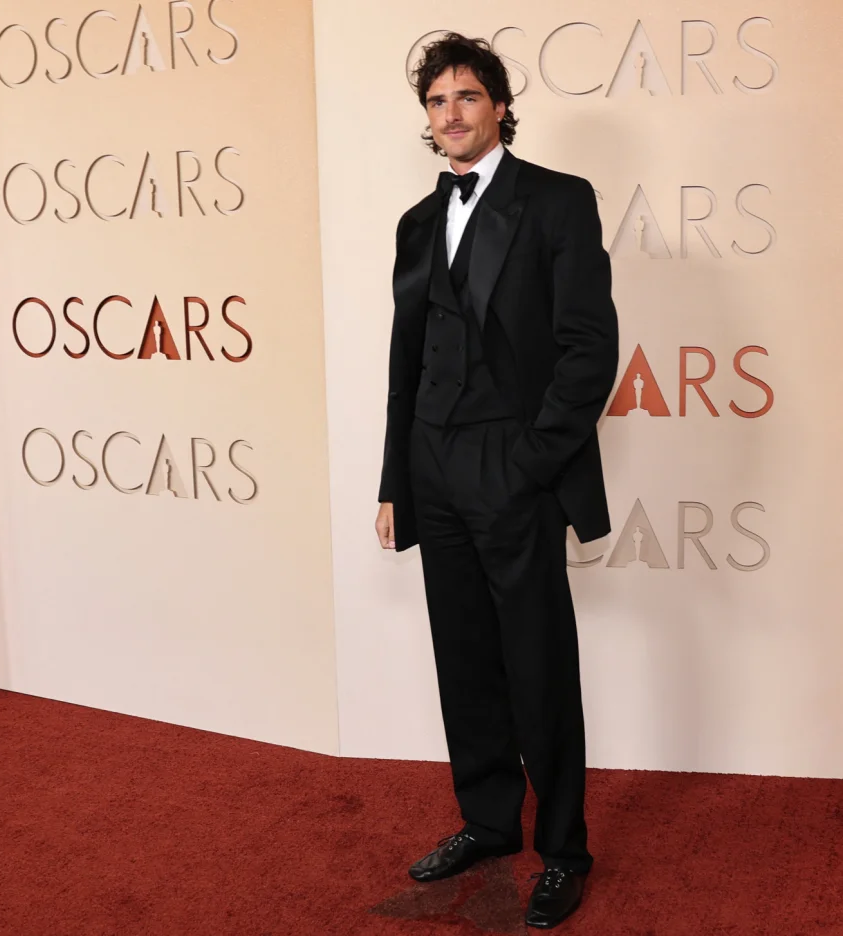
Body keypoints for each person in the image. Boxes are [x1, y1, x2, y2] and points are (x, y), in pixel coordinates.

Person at [374, 32, 619, 930]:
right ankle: (487, 821)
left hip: (510, 467)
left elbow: (588, 348)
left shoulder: (556, 200)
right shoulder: (415, 221)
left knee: (536, 661)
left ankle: (563, 850)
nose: (451, 114)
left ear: (500, 107)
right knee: (463, 656)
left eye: (467, 96)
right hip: (432, 464)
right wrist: (394, 480)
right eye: (437, 101)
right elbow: (405, 361)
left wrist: (530, 462)